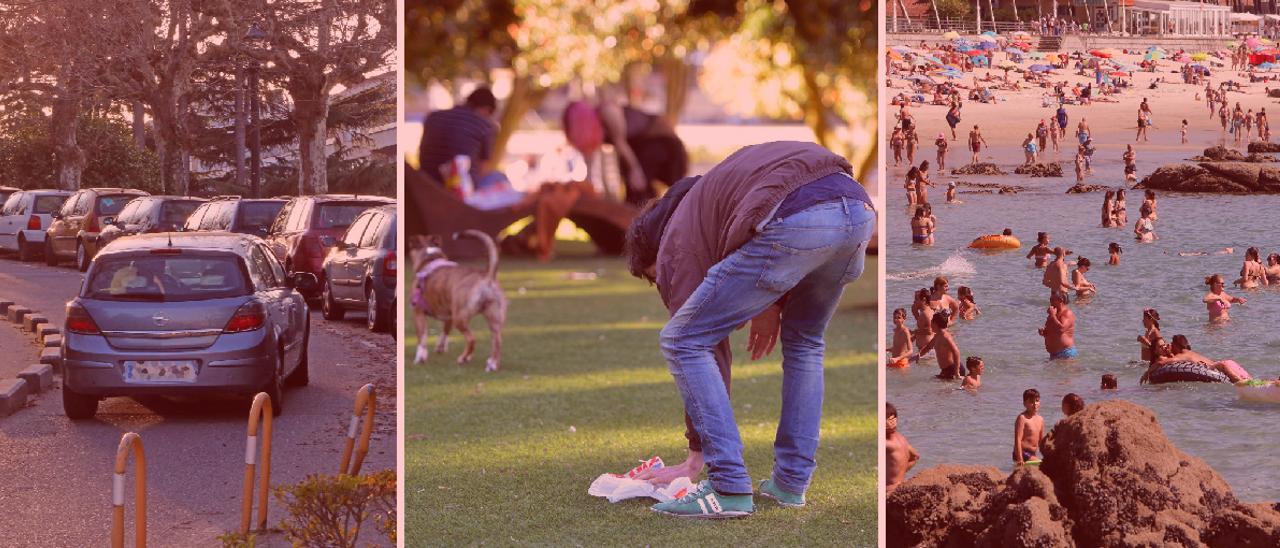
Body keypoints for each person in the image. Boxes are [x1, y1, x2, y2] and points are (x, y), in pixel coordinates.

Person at [631, 141, 873, 518]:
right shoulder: (710, 200)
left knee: (682, 340)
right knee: (806, 342)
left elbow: (704, 346)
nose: (664, 282)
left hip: (794, 217)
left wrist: (696, 456)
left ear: (654, 251)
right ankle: (790, 484)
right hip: (856, 209)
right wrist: (772, 304)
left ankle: (727, 486)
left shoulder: (675, 242)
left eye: (655, 276)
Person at [563, 94, 689, 208]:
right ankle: (641, 217)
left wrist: (636, 171)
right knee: (636, 191)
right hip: (639, 151)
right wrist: (588, 190)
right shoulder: (593, 132)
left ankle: (644, 217)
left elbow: (621, 143)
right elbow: (589, 163)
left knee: (666, 192)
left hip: (662, 143)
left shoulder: (607, 111)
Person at [418, 87, 505, 189]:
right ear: (487, 109)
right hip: (459, 186)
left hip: (426, 181)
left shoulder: (433, 116)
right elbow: (484, 168)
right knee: (499, 177)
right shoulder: (484, 125)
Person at [885, 403, 920, 494]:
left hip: (889, 490)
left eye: (892, 419)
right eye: (890, 420)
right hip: (901, 486)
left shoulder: (887, 443)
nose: (892, 422)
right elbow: (915, 456)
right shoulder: (901, 437)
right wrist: (899, 474)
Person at [914, 313, 961, 379]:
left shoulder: (945, 336)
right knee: (932, 382)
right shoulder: (937, 335)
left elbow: (956, 352)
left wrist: (957, 372)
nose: (930, 323)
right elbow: (928, 347)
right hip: (946, 370)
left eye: (932, 320)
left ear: (935, 323)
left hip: (952, 369)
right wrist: (918, 355)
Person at [1039, 291, 1076, 360]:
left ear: (1060, 300)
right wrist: (1043, 333)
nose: (1050, 302)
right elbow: (1053, 331)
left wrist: (1052, 315)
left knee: (1066, 371)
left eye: (1052, 300)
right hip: (1053, 354)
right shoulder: (1054, 313)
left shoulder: (1067, 313)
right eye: (1050, 300)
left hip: (1065, 353)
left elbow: (1062, 329)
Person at [1013, 389, 1044, 465]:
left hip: (1033, 454)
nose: (1035, 404)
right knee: (1042, 464)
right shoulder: (1022, 418)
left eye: (1037, 401)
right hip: (1022, 453)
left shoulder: (1041, 419)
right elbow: (1018, 439)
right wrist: (1020, 458)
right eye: (1031, 402)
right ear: (1024, 404)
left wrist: (1046, 455)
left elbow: (1041, 441)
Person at [911, 288, 936, 356]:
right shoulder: (929, 311)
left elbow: (929, 331)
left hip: (926, 351)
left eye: (916, 299)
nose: (914, 302)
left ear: (924, 300)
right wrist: (915, 313)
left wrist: (913, 332)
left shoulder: (925, 314)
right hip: (927, 349)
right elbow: (922, 326)